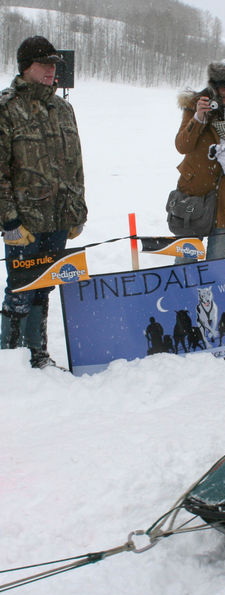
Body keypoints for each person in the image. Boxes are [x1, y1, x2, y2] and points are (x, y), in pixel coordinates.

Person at [0, 36, 87, 368]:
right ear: (26, 67)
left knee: (45, 285)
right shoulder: (7, 108)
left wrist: (77, 212)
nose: (52, 71)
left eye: (54, 65)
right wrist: (8, 221)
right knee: (21, 288)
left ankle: (36, 353)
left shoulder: (63, 108)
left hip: (59, 219)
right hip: (24, 222)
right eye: (45, 65)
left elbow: (75, 164)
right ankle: (10, 359)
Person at [174, 56, 225, 261]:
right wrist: (198, 119)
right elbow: (182, 145)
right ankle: (183, 294)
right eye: (221, 84)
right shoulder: (196, 105)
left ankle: (209, 294)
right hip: (194, 194)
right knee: (185, 262)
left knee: (217, 265)